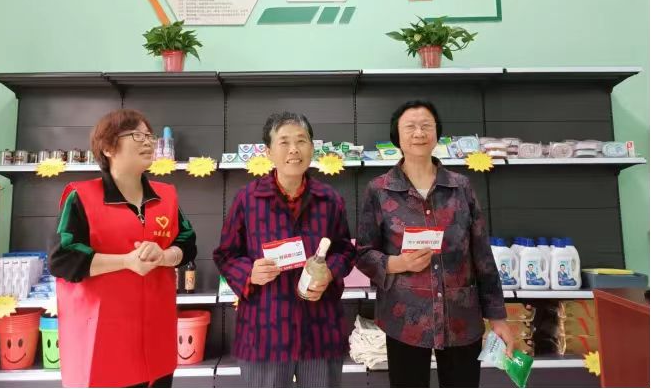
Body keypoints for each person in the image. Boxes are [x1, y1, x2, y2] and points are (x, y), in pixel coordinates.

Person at [356, 100, 514, 388]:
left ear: (436, 133)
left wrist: (498, 317)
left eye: (426, 126)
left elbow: (481, 254)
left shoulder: (460, 186)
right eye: (410, 127)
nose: (419, 133)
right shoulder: (378, 190)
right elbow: (363, 253)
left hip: (461, 315)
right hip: (405, 317)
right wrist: (397, 263)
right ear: (397, 136)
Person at [49, 109, 197, 387]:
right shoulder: (81, 197)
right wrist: (126, 261)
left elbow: (187, 243)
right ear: (107, 148)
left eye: (150, 136)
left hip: (156, 339)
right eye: (137, 135)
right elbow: (62, 258)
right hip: (104, 344)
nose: (148, 142)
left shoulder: (166, 196)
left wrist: (165, 256)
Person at [214, 112, 355, 388]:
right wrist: (250, 272)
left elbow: (345, 250)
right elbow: (226, 254)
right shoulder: (248, 199)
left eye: (301, 141)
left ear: (312, 148)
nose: (294, 149)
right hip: (265, 330)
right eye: (284, 142)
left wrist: (329, 272)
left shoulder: (330, 199)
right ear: (268, 152)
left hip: (320, 328)